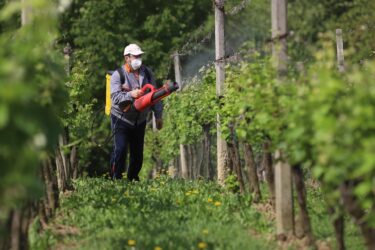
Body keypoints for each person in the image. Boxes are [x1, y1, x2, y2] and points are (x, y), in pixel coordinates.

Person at [109, 43, 163, 181]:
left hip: (140, 119)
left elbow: (155, 95)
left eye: (140, 55)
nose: (139, 58)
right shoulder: (118, 75)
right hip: (121, 118)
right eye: (135, 56)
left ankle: (132, 180)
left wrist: (158, 116)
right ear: (127, 58)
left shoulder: (148, 73)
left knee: (137, 154)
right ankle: (115, 179)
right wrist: (130, 95)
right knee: (120, 150)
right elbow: (115, 97)